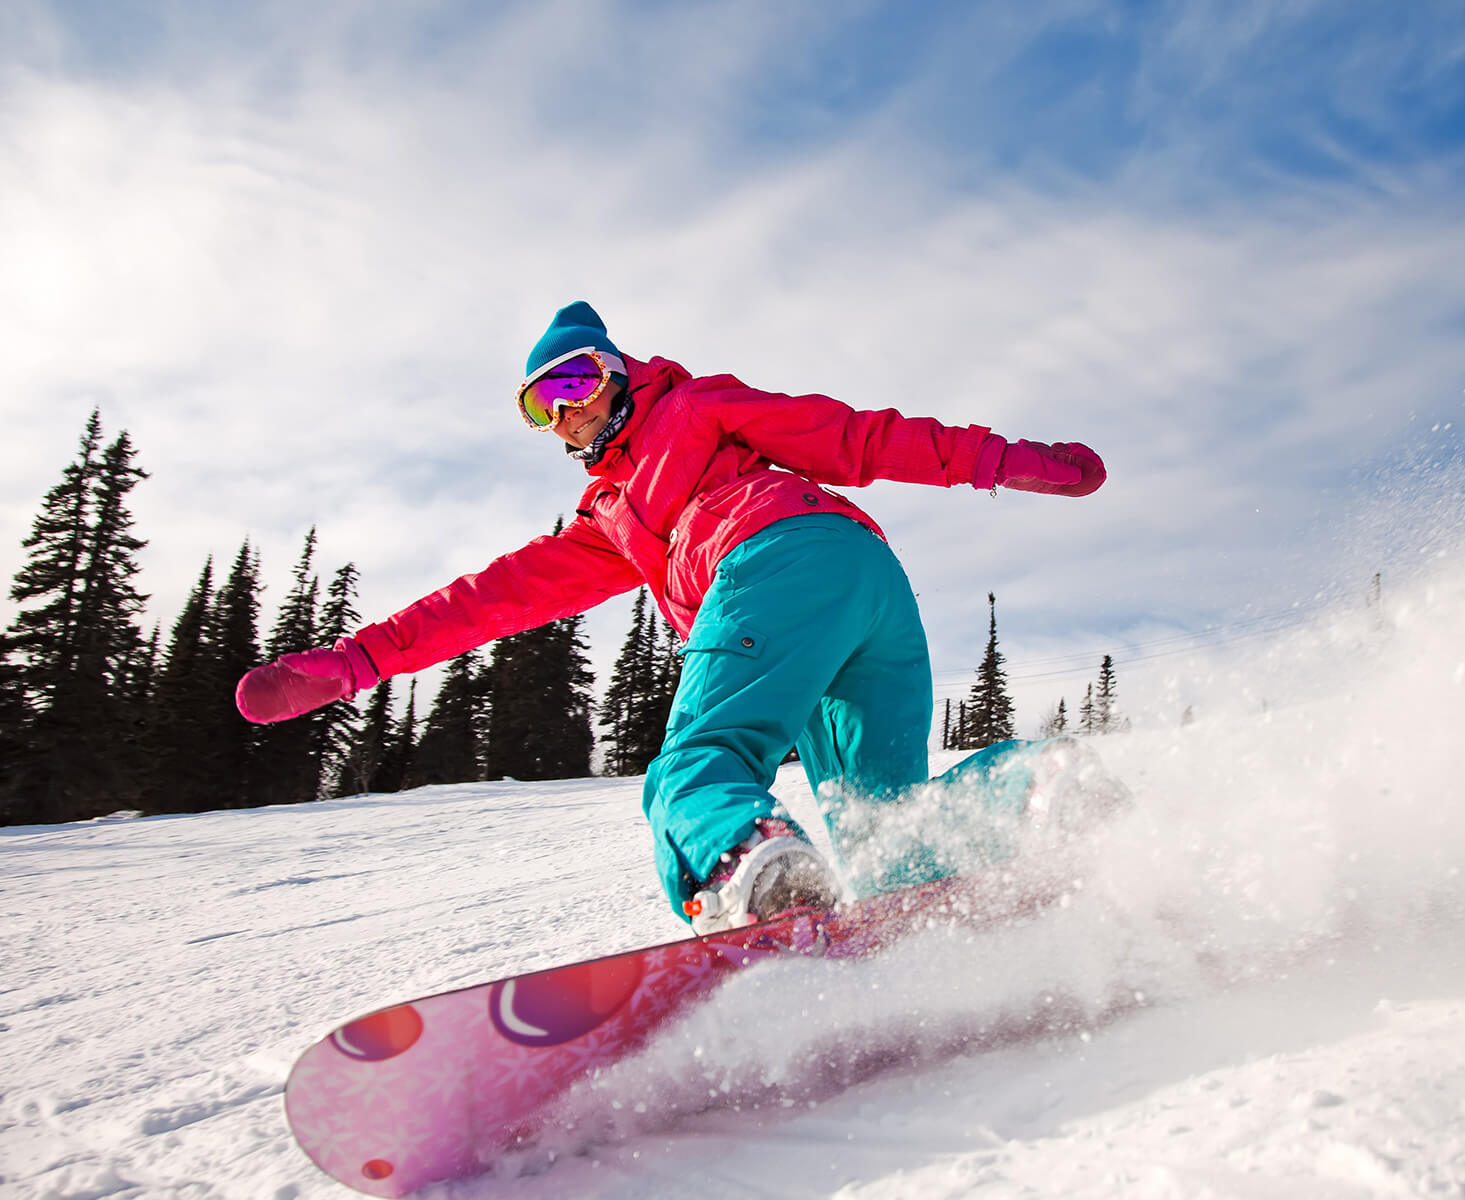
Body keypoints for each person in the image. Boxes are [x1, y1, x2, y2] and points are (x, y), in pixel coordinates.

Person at [236, 301, 1105, 932]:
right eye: (542, 405)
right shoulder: (609, 521)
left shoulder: (694, 408)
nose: (566, 409)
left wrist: (1001, 460)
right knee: (886, 834)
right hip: (867, 589)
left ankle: (748, 866)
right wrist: (358, 660)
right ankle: (1037, 791)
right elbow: (487, 599)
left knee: (695, 767)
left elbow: (855, 437)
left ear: (617, 372)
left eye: (576, 380)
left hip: (778, 558)